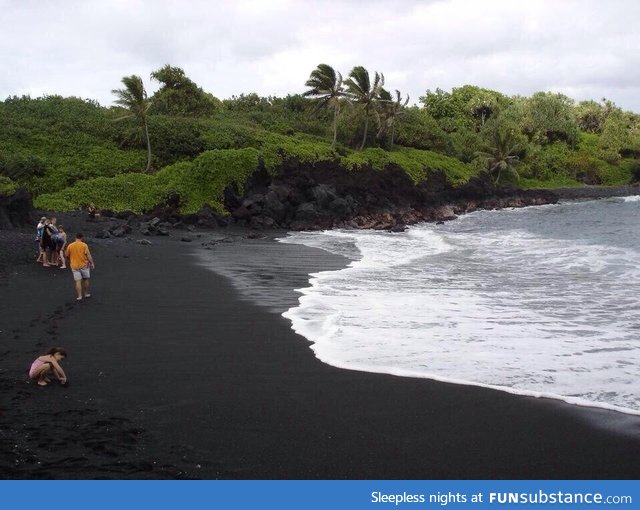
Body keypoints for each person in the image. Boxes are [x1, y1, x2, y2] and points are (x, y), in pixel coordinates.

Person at [64, 232, 95, 301]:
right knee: (85, 279)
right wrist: (92, 263)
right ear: (82, 238)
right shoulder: (84, 245)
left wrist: (69, 261)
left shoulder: (70, 245)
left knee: (77, 281)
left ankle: (79, 296)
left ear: (75, 237)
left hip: (74, 265)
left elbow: (66, 255)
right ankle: (86, 293)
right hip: (84, 265)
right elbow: (88, 255)